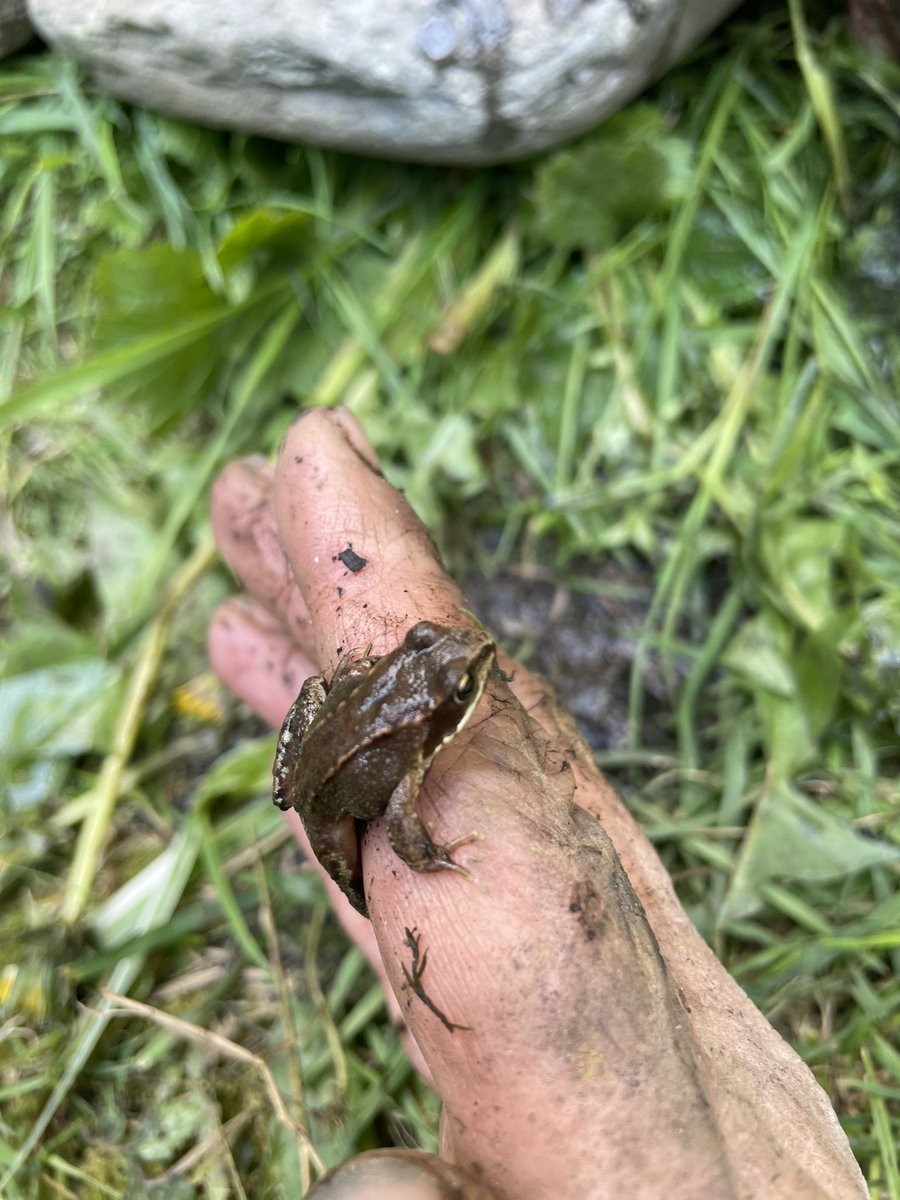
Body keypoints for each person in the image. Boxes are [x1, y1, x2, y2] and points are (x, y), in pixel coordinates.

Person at [208, 408, 866, 1200]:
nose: (464, 668)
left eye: (432, 656)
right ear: (441, 715)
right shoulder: (412, 763)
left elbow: (362, 688)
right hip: (331, 786)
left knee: (318, 689)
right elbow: (406, 826)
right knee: (354, 863)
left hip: (345, 724)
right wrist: (431, 859)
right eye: (458, 687)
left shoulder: (419, 686)